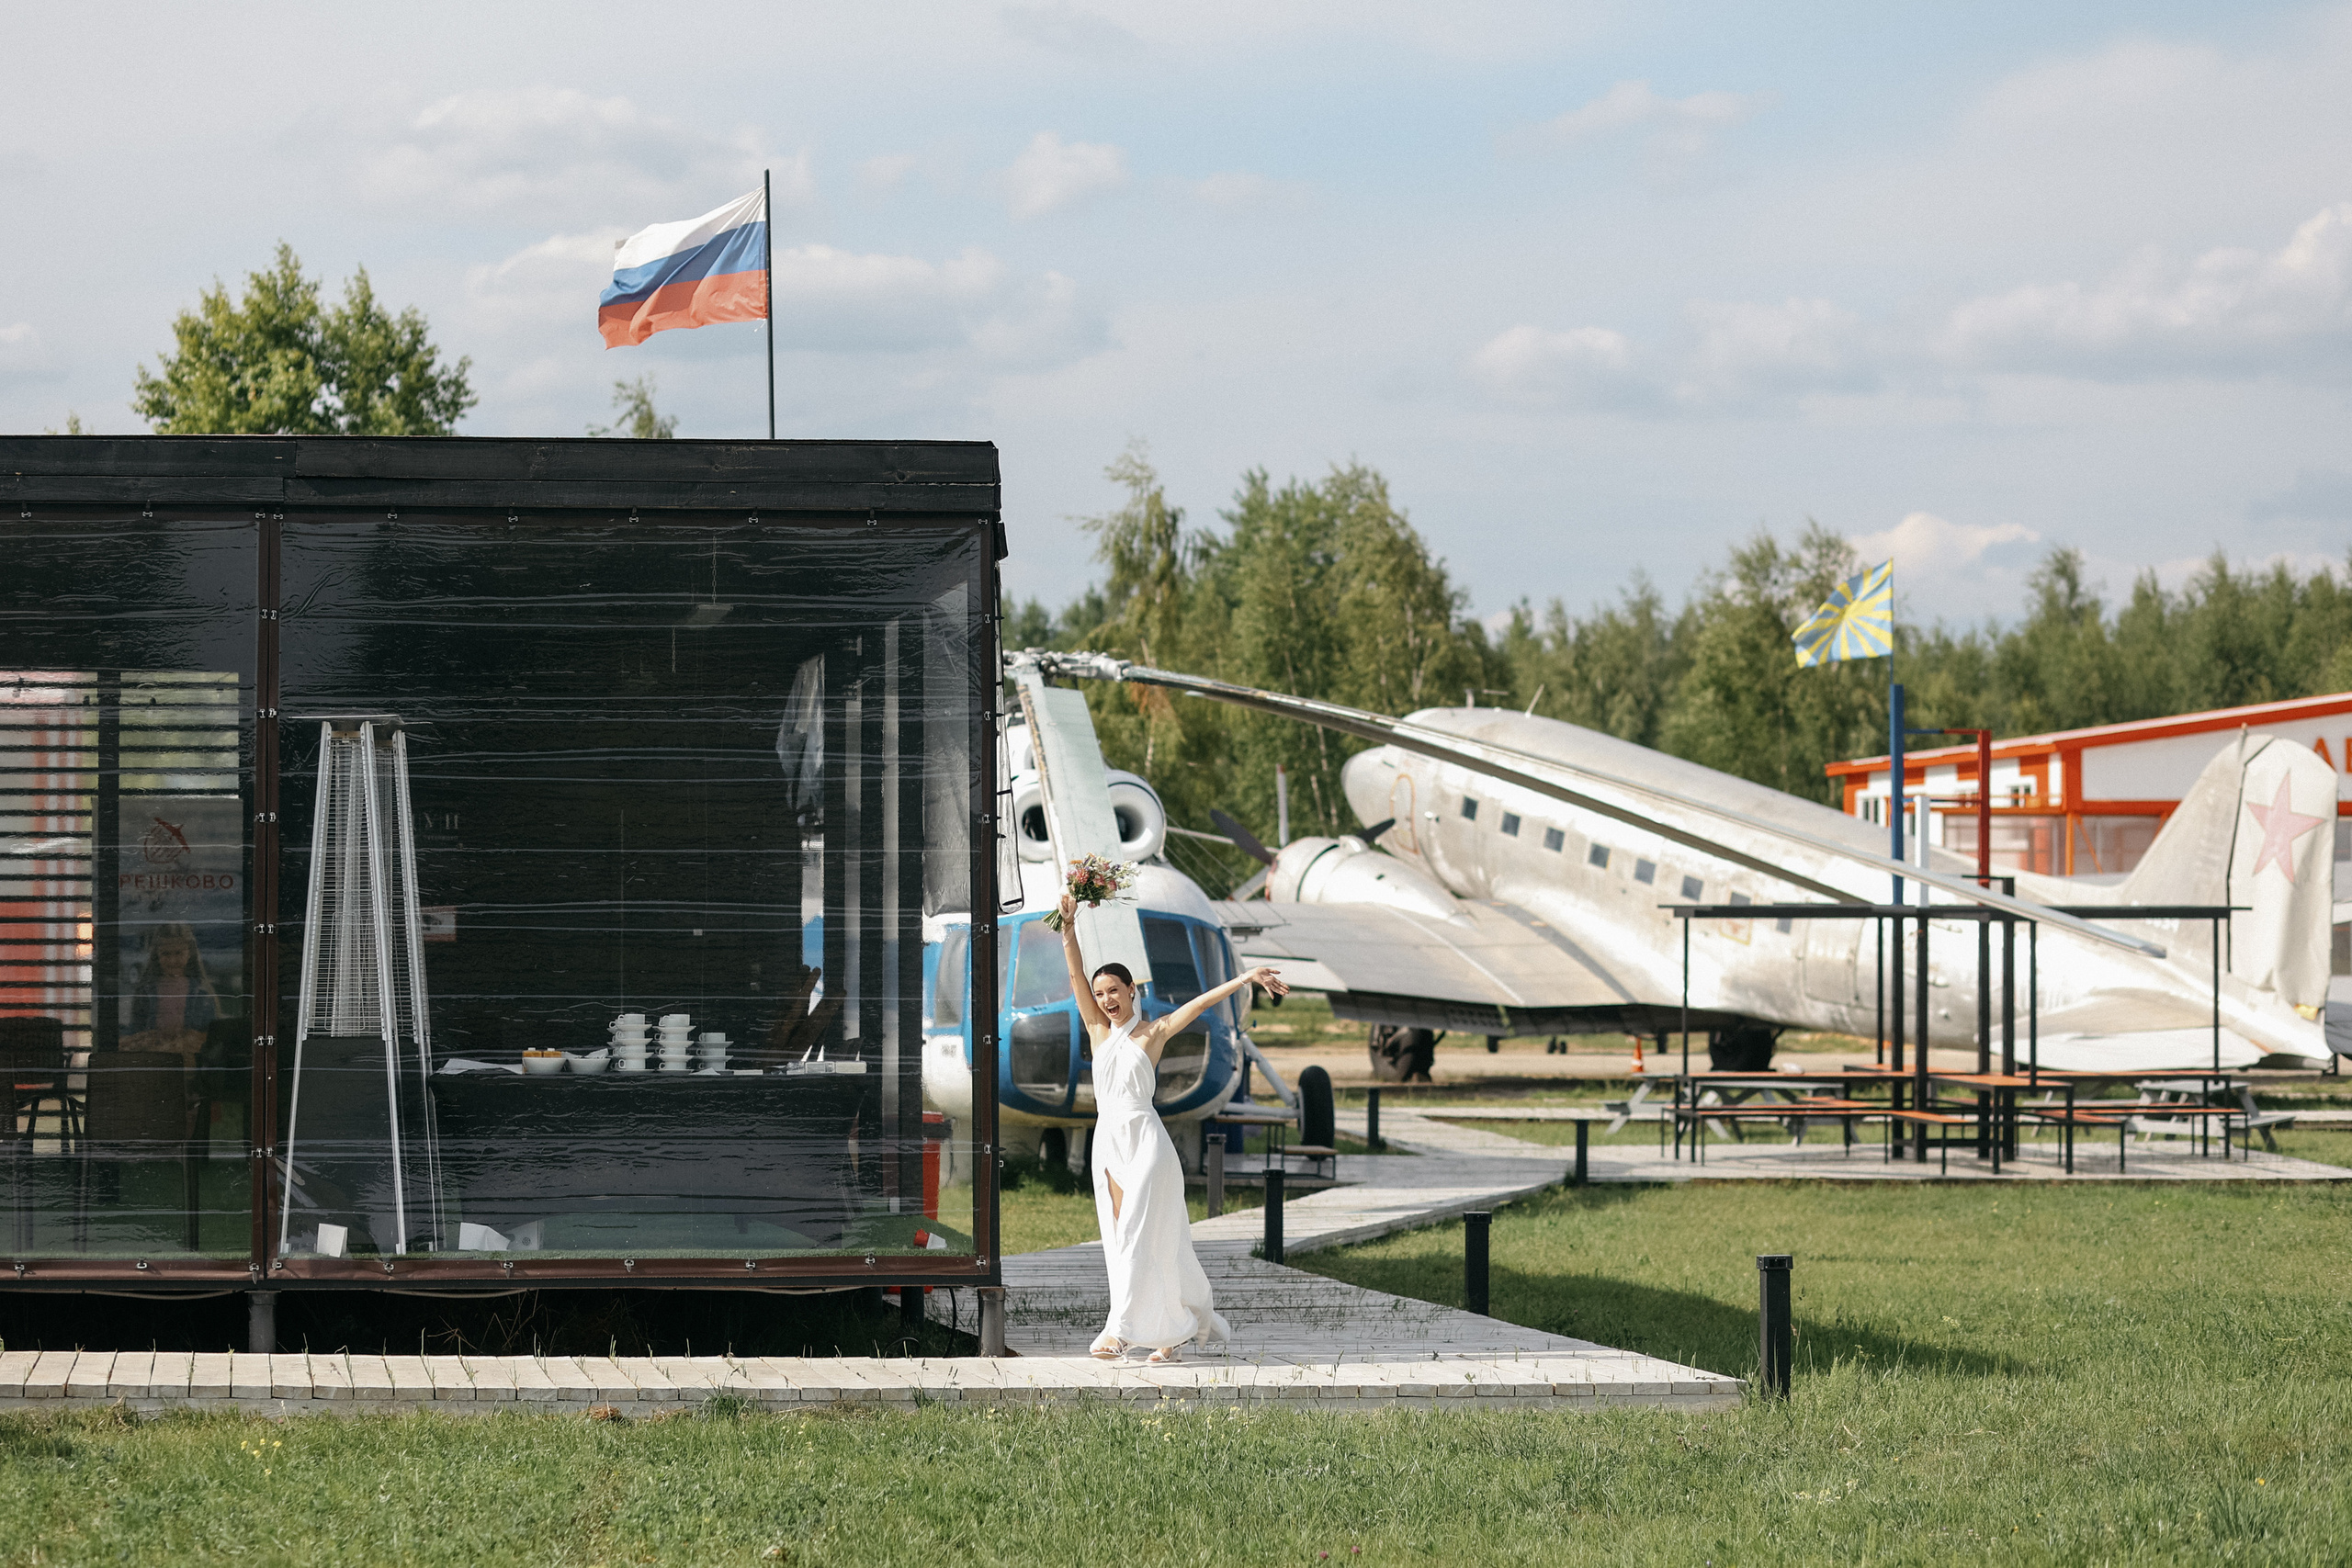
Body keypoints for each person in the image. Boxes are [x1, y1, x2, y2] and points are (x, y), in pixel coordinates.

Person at [1056, 891, 1289, 1363]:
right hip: (1110, 1143)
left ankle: (1120, 1332)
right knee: (1127, 1238)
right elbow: (1075, 974)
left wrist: (1244, 978)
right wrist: (1068, 926)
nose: (1106, 1000)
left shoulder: (1154, 1032)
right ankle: (1174, 1332)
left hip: (1146, 1142)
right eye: (1100, 995)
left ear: (1131, 990)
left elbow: (1198, 1006)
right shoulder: (1098, 1031)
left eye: (1114, 991)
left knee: (1138, 1232)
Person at [121, 922, 221, 1058]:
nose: (172, 960)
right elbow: (135, 1030)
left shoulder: (202, 994)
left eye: (178, 953)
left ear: (190, 953)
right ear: (157, 955)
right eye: (166, 954)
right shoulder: (145, 991)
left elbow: (213, 1037)